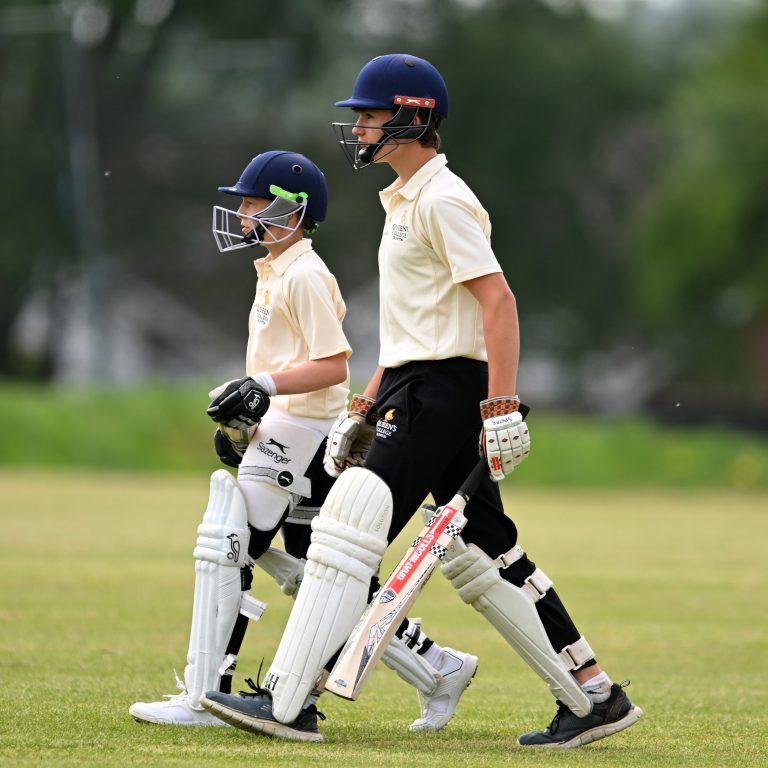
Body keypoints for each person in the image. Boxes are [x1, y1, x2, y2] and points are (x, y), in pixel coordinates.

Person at [199, 56, 644, 749]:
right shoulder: (406, 200)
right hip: (415, 385)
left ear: (412, 117)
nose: (360, 129)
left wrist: (500, 406)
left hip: (445, 392)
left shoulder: (442, 199)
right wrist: (366, 404)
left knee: (347, 524)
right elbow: (413, 326)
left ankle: (290, 703)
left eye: (370, 116)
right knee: (485, 552)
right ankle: (592, 695)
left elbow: (497, 302)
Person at [128, 149, 477, 734]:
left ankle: (205, 694)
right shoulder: (274, 271)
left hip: (307, 433)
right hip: (289, 432)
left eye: (253, 202)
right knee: (319, 576)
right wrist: (252, 426)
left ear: (292, 211)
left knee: (230, 546)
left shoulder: (306, 275)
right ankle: (438, 668)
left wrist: (261, 387)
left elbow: (333, 365)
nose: (241, 214)